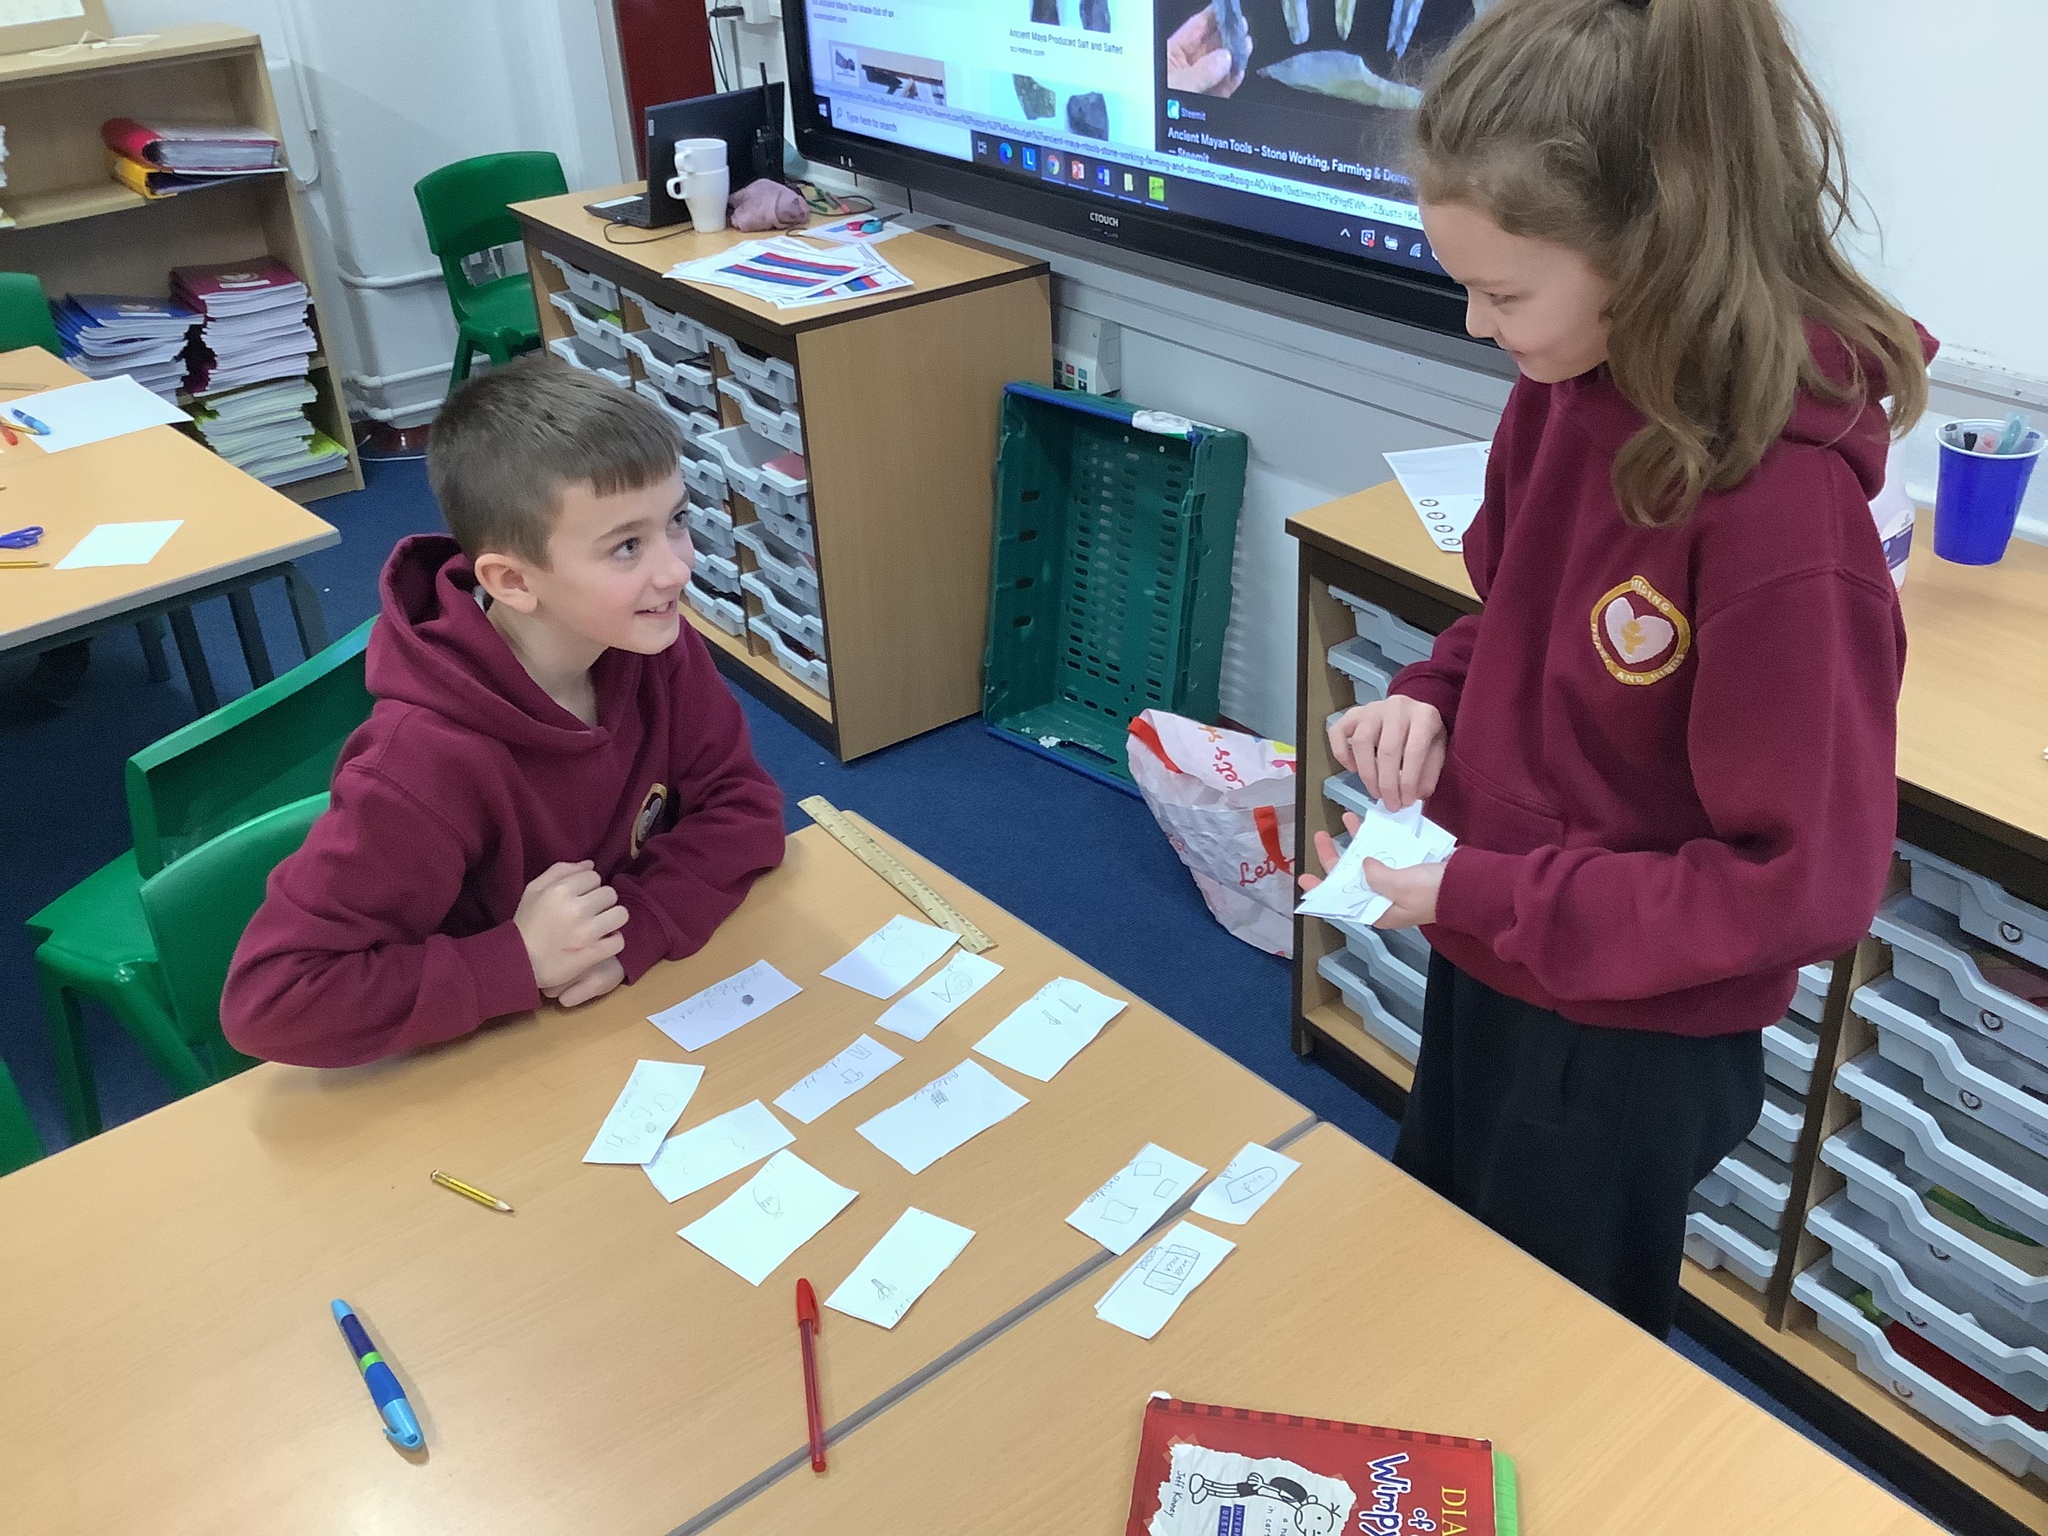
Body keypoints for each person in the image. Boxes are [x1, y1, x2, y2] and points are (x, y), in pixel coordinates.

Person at [1308, 0, 1931, 1337]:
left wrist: (1486, 888)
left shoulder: (1781, 518)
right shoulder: (1561, 390)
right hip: (1502, 947)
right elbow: (1513, 619)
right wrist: (1434, 697)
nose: (1476, 325)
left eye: (1503, 294)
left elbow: (1803, 884)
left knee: (1549, 1343)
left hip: (1628, 1031)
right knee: (1441, 1262)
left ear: (1648, 251)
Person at [222, 361, 786, 1068]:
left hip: (612, 1025)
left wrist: (636, 927)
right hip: (494, 1063)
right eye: (627, 546)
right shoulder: (420, 765)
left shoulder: (649, 641)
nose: (676, 568)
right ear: (512, 581)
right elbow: (272, 1001)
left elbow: (742, 805)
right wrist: (517, 959)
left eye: (676, 521)